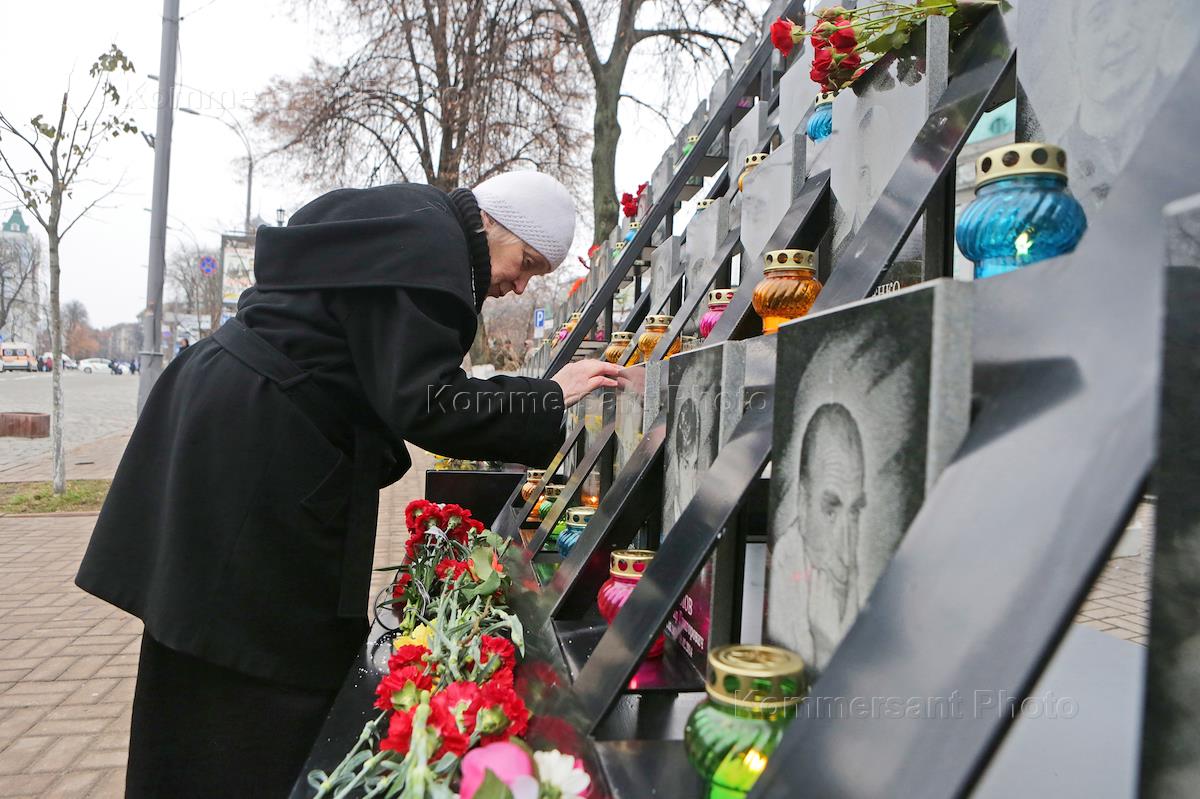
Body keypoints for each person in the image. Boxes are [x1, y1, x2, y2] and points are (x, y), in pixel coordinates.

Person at [75, 171, 619, 797]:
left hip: (228, 419)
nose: (519, 285)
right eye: (526, 263)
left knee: (199, 635)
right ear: (494, 223)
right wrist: (546, 396)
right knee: (262, 654)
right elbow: (426, 402)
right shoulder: (432, 245)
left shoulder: (410, 219)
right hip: (263, 444)